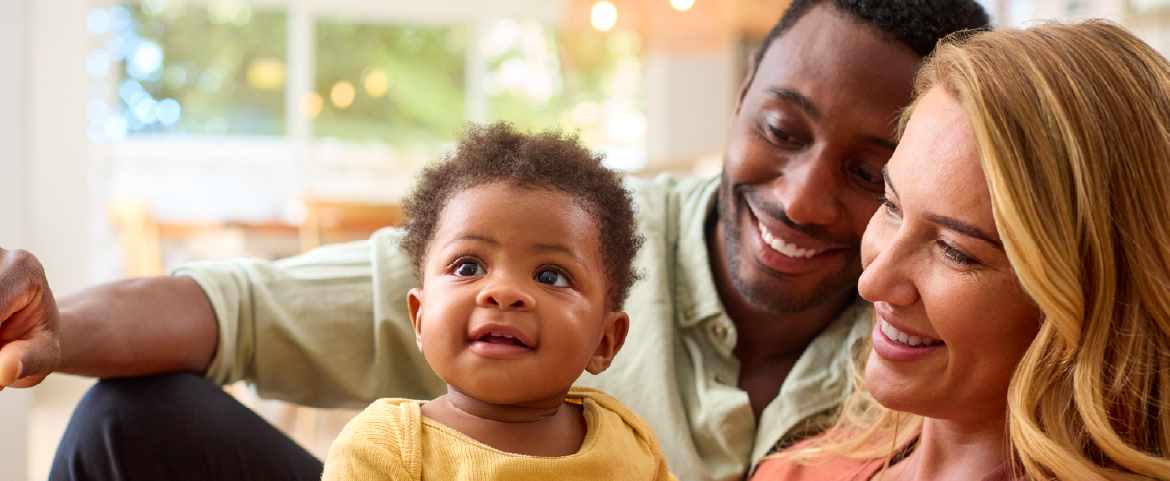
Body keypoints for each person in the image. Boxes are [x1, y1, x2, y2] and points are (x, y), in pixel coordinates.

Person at [0, 1, 989, 480]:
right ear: (740, 106)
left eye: (871, 171)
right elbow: (245, 309)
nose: (806, 198)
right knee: (128, 421)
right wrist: (53, 330)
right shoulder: (583, 229)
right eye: (780, 130)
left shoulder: (938, 331)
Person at [751, 20, 1170, 481]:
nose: (872, 283)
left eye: (955, 251)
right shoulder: (794, 469)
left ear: (1096, 295)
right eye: (890, 205)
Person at [321, 122, 673, 480]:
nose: (503, 291)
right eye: (468, 267)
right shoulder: (383, 448)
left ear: (605, 341)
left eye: (550, 276)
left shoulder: (631, 444)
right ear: (420, 318)